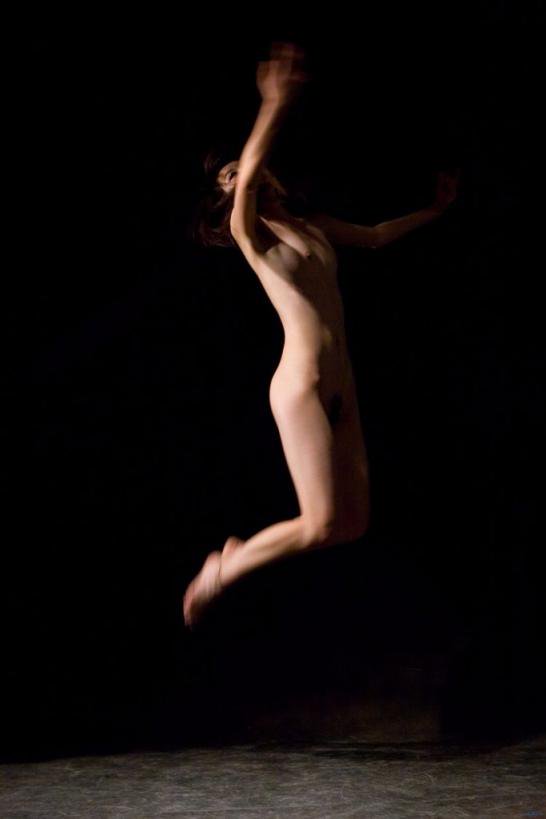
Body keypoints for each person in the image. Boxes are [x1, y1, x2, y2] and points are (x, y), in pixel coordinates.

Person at [183, 42, 459, 628]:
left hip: (341, 381)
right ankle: (223, 569)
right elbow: (249, 180)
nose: (245, 176)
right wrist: (274, 104)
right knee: (317, 523)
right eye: (232, 177)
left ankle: (236, 557)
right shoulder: (251, 237)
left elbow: (376, 236)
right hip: (301, 384)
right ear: (229, 197)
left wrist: (433, 213)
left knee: (351, 525)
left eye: (241, 168)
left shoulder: (312, 226)